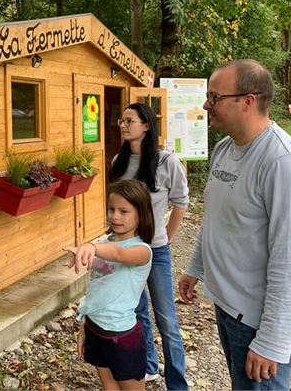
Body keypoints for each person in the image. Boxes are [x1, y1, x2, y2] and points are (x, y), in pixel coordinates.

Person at [178, 59, 291, 390]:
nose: (206, 104)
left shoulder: (283, 163)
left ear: (248, 100)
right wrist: (195, 267)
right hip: (229, 308)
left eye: (214, 97)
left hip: (260, 321)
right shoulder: (225, 149)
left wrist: (271, 340)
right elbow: (217, 217)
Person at [109, 102, 189, 390]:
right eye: (122, 120)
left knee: (167, 321)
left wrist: (165, 237)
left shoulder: (167, 161)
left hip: (155, 252)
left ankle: (178, 384)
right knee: (137, 311)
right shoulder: (119, 161)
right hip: (126, 251)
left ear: (146, 125)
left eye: (130, 120)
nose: (123, 124)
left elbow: (181, 203)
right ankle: (149, 366)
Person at [64, 180, 154, 391]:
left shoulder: (142, 250)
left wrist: (90, 247)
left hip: (122, 336)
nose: (115, 216)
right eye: (111, 209)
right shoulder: (105, 241)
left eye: (124, 211)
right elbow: (96, 288)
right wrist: (84, 327)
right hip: (95, 329)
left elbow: (120, 254)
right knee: (109, 387)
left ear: (141, 214)